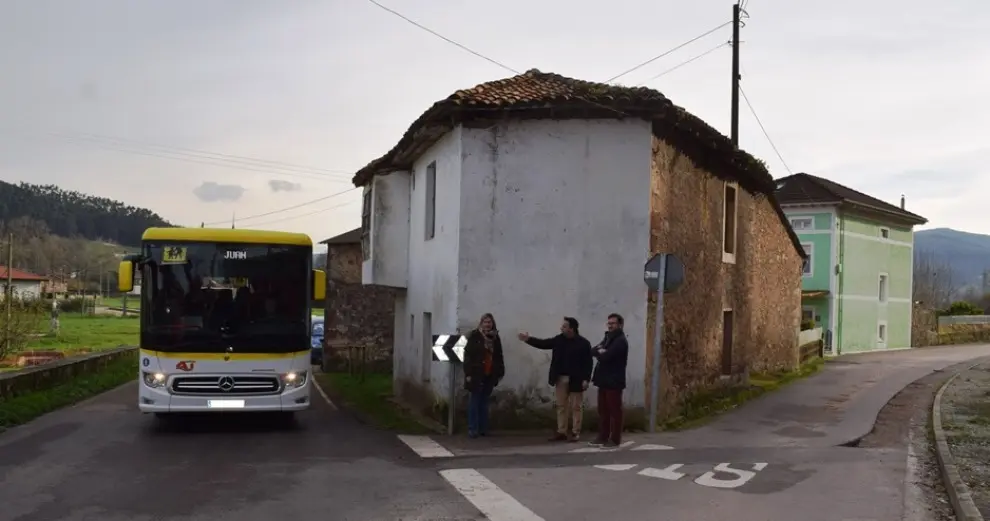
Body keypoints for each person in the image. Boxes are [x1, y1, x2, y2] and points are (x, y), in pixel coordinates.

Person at [518, 317, 593, 442]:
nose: (561, 328)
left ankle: (575, 432)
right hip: (560, 378)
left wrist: (586, 379)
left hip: (577, 379)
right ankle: (561, 431)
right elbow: (544, 343)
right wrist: (528, 339)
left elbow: (588, 363)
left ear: (571, 329)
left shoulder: (583, 343)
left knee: (576, 407)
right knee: (561, 406)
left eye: (564, 326)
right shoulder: (559, 340)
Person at [462, 313, 506, 438]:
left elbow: (499, 355)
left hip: (489, 373)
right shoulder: (474, 336)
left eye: (490, 322)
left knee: (484, 402)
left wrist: (500, 371)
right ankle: (472, 428)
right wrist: (468, 373)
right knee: (474, 401)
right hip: (476, 373)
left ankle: (483, 428)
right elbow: (468, 356)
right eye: (485, 322)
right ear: (481, 323)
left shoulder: (495, 338)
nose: (488, 324)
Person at [590, 313, 629, 447]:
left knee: (615, 411)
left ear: (620, 325)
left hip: (614, 380)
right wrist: (601, 351)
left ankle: (615, 439)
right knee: (603, 410)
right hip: (603, 379)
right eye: (609, 323)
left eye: (613, 323)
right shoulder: (607, 338)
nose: (610, 325)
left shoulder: (620, 341)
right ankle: (603, 436)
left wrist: (601, 352)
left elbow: (607, 357)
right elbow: (593, 350)